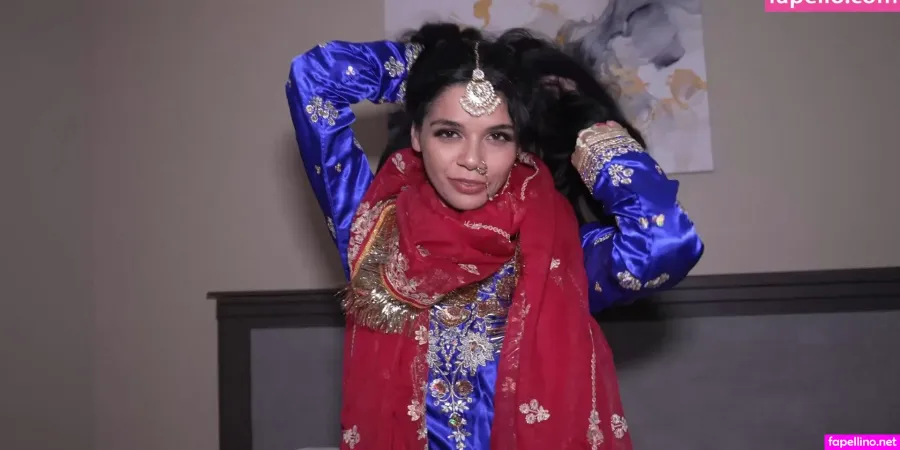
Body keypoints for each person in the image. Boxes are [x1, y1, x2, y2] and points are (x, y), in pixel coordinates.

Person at [285, 23, 703, 450]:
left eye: (497, 136)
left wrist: (588, 129)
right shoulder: (372, 222)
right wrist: (431, 65)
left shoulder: (558, 252)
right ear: (416, 135)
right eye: (449, 132)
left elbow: (663, 242)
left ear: (519, 146)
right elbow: (314, 78)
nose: (472, 159)